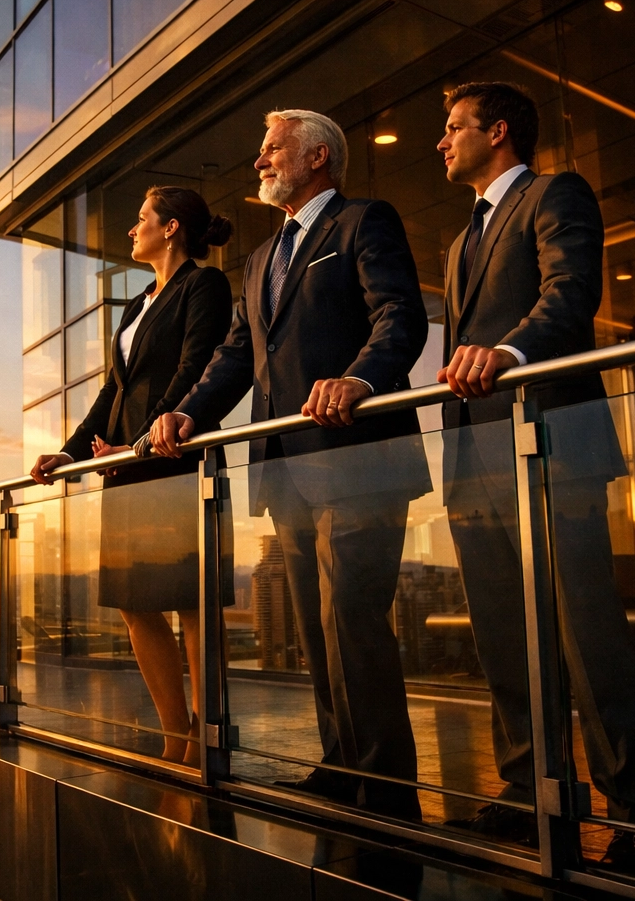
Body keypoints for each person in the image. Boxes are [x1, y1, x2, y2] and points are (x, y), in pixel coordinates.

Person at [150, 109, 430, 819]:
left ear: (316, 158)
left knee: (353, 623)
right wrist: (189, 412)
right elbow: (236, 356)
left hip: (359, 455)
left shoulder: (365, 222)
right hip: (285, 467)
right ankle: (342, 769)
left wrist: (361, 378)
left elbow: (399, 314)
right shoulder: (257, 259)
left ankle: (386, 793)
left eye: (271, 148)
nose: (259, 162)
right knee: (313, 626)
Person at [433, 81, 635, 876]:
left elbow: (570, 294)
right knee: (504, 641)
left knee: (587, 639)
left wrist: (509, 353)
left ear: (497, 131)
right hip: (476, 457)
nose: (442, 141)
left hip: (552, 444)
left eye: (454, 128)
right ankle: (528, 790)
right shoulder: (460, 236)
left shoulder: (553, 194)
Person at [31, 186, 235, 766]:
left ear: (170, 228)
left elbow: (197, 368)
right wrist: (72, 453)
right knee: (134, 602)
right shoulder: (136, 302)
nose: (131, 230)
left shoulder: (205, 285)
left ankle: (210, 737)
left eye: (140, 219)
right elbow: (112, 390)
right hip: (122, 462)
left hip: (171, 457)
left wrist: (144, 440)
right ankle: (179, 735)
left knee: (190, 600)